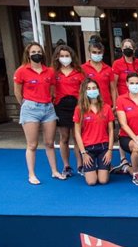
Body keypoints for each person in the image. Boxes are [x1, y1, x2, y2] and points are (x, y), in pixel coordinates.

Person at [14, 42, 65, 184]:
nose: (36, 54)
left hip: (48, 108)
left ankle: (54, 171)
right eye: (33, 52)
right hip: (30, 108)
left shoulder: (49, 71)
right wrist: (25, 104)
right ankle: (31, 174)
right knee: (32, 144)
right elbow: (17, 92)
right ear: (28, 55)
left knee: (49, 143)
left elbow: (53, 88)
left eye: (38, 51)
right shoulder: (21, 71)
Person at [82, 41, 123, 170]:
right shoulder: (83, 68)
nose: (97, 55)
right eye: (94, 52)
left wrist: (114, 105)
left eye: (99, 53)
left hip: (107, 107)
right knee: (88, 132)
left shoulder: (108, 68)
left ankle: (106, 163)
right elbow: (82, 89)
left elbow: (113, 88)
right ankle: (84, 163)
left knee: (107, 133)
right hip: (89, 107)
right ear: (90, 52)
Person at [73, 78, 114, 186]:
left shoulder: (106, 107)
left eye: (94, 88)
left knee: (103, 181)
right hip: (88, 149)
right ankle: (95, 169)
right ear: (84, 92)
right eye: (89, 88)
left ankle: (103, 168)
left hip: (103, 147)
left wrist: (110, 150)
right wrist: (83, 153)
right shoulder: (79, 109)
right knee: (91, 182)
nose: (92, 90)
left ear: (98, 90)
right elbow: (77, 132)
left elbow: (110, 130)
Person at [52, 44, 84, 177]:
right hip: (61, 106)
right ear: (57, 57)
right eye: (62, 56)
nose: (65, 58)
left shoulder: (79, 72)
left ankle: (80, 165)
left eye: (67, 56)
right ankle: (66, 166)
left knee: (77, 137)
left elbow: (83, 91)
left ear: (72, 57)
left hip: (76, 106)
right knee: (64, 137)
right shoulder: (53, 72)